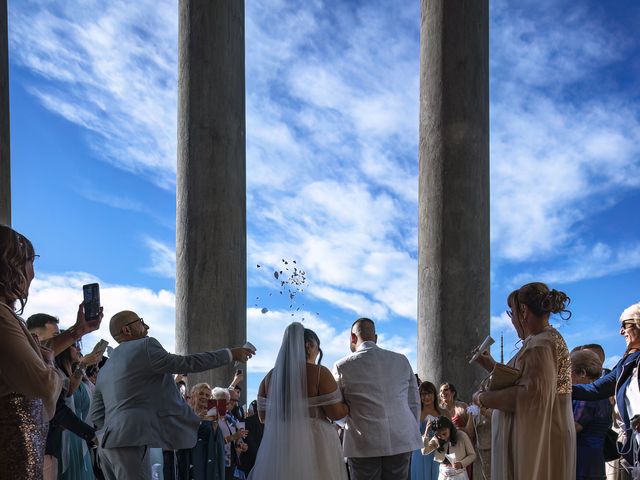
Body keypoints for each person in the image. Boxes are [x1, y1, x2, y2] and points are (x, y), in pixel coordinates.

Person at [89, 310, 255, 480]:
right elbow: (186, 363)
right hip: (131, 441)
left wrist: (110, 435)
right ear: (126, 330)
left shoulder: (106, 368)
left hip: (106, 448)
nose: (147, 326)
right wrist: (229, 354)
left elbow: (96, 413)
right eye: (140, 322)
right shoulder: (145, 346)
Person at [472, 282, 576, 480]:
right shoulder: (544, 340)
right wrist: (491, 366)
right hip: (543, 435)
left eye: (512, 313)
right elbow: (527, 380)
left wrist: (482, 398)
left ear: (524, 311)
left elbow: (529, 395)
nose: (512, 321)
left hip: (539, 441)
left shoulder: (540, 345)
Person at [0, 225, 64, 477]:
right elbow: (43, 384)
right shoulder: (3, 318)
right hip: (12, 450)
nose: (33, 274)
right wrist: (50, 365)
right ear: (11, 266)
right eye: (30, 262)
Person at [249, 322, 349, 480]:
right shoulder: (319, 373)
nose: (318, 352)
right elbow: (336, 413)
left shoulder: (268, 378)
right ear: (309, 345)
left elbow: (263, 418)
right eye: (318, 347)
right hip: (316, 441)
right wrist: (348, 404)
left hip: (282, 442)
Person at [334, 317, 422, 480]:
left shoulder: (342, 366)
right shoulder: (401, 360)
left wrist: (351, 423)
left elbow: (337, 410)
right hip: (400, 439)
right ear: (376, 337)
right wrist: (410, 430)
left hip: (364, 443)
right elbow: (414, 402)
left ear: (353, 338)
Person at [572, 302, 640, 475]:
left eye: (625, 325)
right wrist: (549, 386)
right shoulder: (625, 364)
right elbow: (594, 390)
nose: (621, 331)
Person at [56, 338, 101, 480]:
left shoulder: (82, 380)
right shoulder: (57, 373)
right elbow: (68, 390)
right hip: (65, 435)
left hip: (81, 435)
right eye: (75, 345)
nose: (79, 349)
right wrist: (84, 364)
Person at [571, 349, 612, 480]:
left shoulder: (586, 397)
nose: (568, 378)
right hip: (595, 460)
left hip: (582, 461)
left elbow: (573, 427)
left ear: (582, 373)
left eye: (569, 372)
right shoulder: (603, 395)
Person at [423, 416, 476, 480]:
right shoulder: (436, 439)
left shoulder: (462, 435)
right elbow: (424, 451)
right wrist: (426, 434)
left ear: (450, 428)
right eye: (439, 435)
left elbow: (472, 455)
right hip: (443, 476)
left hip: (459, 476)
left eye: (444, 434)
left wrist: (461, 464)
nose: (442, 437)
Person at [411, 381, 442, 480]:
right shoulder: (414, 413)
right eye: (423, 394)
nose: (426, 397)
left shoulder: (443, 412)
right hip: (419, 453)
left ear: (434, 394)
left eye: (429, 393)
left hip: (438, 452)